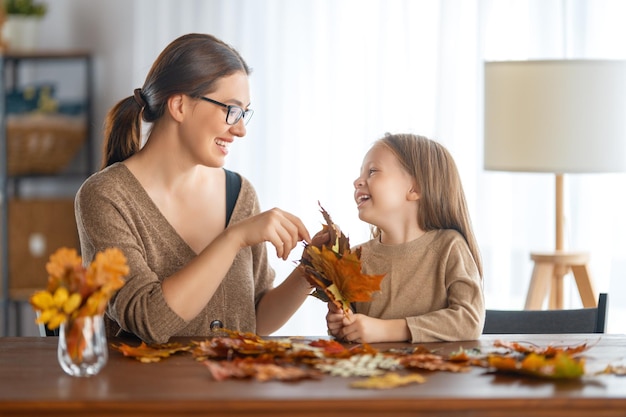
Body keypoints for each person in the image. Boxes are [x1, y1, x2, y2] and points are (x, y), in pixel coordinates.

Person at [74, 33, 314, 345]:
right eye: (231, 109)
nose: (240, 129)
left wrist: (310, 272)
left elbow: (254, 321)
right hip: (146, 393)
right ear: (179, 106)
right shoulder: (105, 197)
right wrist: (234, 238)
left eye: (244, 113)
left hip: (234, 389)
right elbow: (149, 320)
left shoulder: (240, 193)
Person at [326, 133, 485, 344]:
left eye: (372, 171)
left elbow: (469, 321)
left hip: (437, 374)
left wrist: (387, 330)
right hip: (370, 373)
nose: (357, 181)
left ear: (414, 189)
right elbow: (354, 330)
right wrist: (342, 325)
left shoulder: (449, 247)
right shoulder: (355, 257)